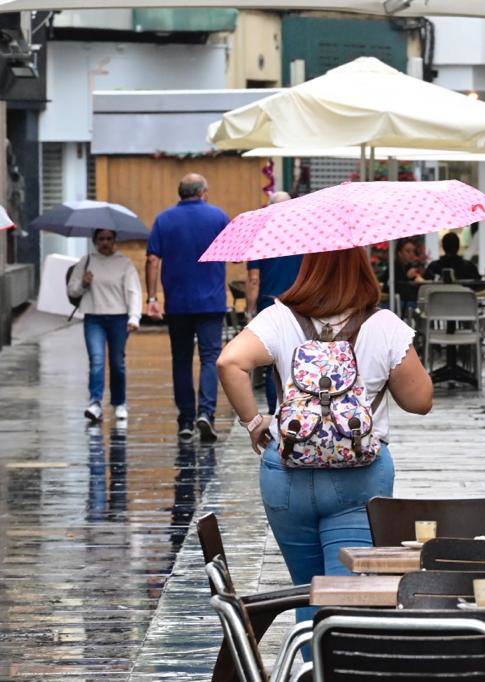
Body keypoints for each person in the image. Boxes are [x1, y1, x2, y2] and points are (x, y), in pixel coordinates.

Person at [216, 247, 433, 640]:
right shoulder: (384, 325)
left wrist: (253, 422)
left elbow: (229, 362)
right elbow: (420, 402)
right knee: (346, 600)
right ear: (363, 269)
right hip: (360, 475)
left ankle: (309, 668)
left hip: (286, 472)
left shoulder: (279, 318)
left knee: (308, 591)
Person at [146, 173, 230, 442]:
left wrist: (152, 298)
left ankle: (185, 420)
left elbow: (152, 259)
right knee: (209, 358)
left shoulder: (164, 219)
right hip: (212, 302)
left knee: (181, 360)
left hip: (178, 303)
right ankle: (206, 413)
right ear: (203, 192)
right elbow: (233, 253)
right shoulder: (218, 217)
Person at [66, 228, 142, 423]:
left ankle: (119, 403)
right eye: (101, 239)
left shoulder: (124, 263)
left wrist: (134, 317)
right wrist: (84, 282)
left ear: (115, 240)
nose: (105, 242)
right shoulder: (86, 261)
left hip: (119, 318)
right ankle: (95, 403)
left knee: (117, 363)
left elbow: (134, 291)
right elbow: (72, 291)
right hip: (94, 317)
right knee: (97, 360)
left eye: (109, 238)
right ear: (95, 240)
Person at [245, 191, 303, 414]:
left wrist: (250, 310)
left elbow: (253, 279)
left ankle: (276, 411)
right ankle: (297, 408)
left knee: (273, 362)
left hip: (269, 305)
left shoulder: (260, 236)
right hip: (299, 303)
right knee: (298, 359)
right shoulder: (306, 236)